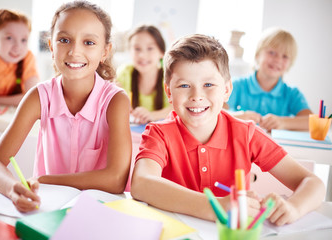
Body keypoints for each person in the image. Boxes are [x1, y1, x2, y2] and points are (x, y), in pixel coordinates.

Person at [131, 34, 325, 226]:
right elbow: (141, 183)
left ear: (226, 90)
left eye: (208, 84)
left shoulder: (246, 134)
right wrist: (215, 207)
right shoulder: (158, 133)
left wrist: (294, 208)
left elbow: (313, 183)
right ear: (169, 92)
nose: (197, 96)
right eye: (184, 85)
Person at [0, 0, 132, 212]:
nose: (74, 51)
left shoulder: (115, 101)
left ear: (104, 51)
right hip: (48, 210)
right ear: (52, 47)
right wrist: (13, 189)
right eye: (64, 40)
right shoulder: (39, 97)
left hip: (100, 212)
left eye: (89, 42)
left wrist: (45, 180)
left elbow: (116, 179)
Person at [225, 27, 312, 131]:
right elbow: (215, 113)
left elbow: (311, 122)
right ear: (257, 55)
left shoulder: (292, 94)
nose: (278, 60)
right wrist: (238, 117)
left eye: (285, 56)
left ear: (290, 63)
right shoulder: (237, 85)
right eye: (272, 52)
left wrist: (283, 122)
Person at [117, 25, 171, 124]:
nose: (142, 55)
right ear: (130, 52)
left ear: (161, 52)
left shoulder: (169, 77)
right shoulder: (125, 73)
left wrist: (152, 115)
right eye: (137, 49)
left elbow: (176, 108)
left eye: (150, 48)